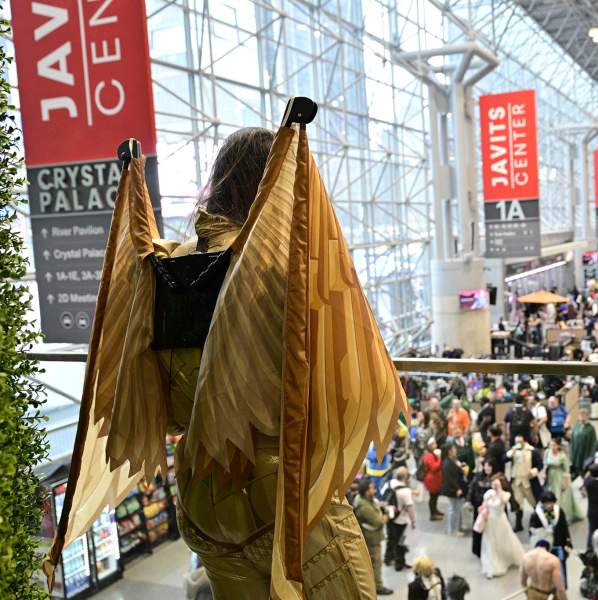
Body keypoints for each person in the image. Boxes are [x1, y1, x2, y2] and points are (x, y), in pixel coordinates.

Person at [46, 123, 407, 598]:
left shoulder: (158, 268)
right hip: (284, 501)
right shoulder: (281, 270)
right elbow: (326, 393)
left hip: (201, 501)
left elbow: (166, 411)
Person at [480, 475, 526, 578]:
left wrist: (499, 491)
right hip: (489, 521)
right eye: (493, 483)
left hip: (500, 520)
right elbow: (484, 505)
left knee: (504, 540)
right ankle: (491, 567)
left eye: (496, 483)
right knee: (490, 542)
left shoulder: (506, 494)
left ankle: (506, 558)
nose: (494, 485)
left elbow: (503, 501)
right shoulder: (488, 493)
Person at [354, 479, 393, 595]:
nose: (374, 490)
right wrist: (388, 514)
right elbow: (378, 521)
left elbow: (373, 506)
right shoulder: (364, 506)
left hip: (370, 537)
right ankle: (378, 587)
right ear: (366, 492)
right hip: (372, 539)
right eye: (372, 488)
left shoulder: (363, 499)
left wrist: (380, 506)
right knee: (376, 563)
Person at [529, 491, 574, 586]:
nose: (549, 505)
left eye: (550, 503)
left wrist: (568, 542)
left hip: (559, 545)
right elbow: (532, 533)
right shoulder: (536, 515)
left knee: (560, 567)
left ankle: (561, 586)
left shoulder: (559, 512)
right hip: (544, 548)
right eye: (546, 503)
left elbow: (564, 528)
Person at [544, 437, 584, 523]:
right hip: (551, 477)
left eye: (554, 445)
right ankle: (551, 517)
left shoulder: (562, 455)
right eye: (551, 445)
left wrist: (565, 483)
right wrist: (544, 474)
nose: (552, 447)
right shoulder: (547, 452)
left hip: (560, 477)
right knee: (550, 497)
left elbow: (567, 471)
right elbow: (545, 464)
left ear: (558, 446)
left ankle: (562, 517)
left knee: (561, 498)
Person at [508, 434, 542, 531]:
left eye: (520, 442)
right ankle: (518, 524)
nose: (518, 444)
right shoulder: (513, 451)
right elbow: (504, 458)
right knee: (518, 503)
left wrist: (533, 472)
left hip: (528, 481)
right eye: (516, 442)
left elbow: (539, 464)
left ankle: (539, 521)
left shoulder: (532, 451)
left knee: (534, 502)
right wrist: (511, 452)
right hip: (517, 481)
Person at [385, 467, 415, 571]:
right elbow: (410, 508)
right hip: (401, 521)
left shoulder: (389, 483)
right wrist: (413, 521)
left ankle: (388, 558)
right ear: (405, 477)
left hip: (389, 517)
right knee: (401, 543)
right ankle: (399, 564)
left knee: (390, 539)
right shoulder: (406, 491)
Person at [467, 460, 494, 557]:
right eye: (486, 466)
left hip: (491, 507)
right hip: (478, 506)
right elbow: (472, 488)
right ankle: (477, 549)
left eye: (489, 466)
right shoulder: (478, 476)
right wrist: (469, 500)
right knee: (478, 526)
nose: (487, 468)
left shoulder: (496, 477)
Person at [441, 444, 467, 536]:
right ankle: (452, 530)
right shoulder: (447, 463)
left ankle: (458, 526)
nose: (456, 450)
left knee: (458, 508)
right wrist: (457, 489)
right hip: (452, 490)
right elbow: (450, 479)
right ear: (449, 451)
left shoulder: (453, 460)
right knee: (453, 510)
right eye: (454, 449)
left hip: (457, 487)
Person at [570, 407, 598, 475]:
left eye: (584, 415)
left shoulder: (591, 429)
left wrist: (591, 456)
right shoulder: (576, 425)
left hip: (585, 453)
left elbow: (593, 443)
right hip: (576, 452)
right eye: (580, 414)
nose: (582, 416)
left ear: (587, 416)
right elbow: (572, 439)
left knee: (583, 471)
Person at [422, 438, 444, 521]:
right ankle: (432, 514)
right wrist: (440, 458)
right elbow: (434, 468)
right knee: (433, 497)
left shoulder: (432, 454)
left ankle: (435, 510)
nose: (436, 445)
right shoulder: (429, 455)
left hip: (435, 479)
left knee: (435, 496)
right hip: (431, 480)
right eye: (434, 444)